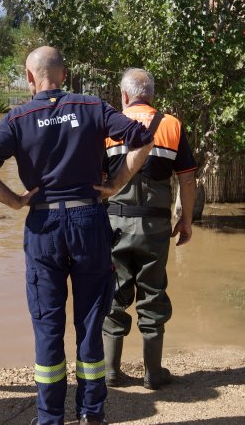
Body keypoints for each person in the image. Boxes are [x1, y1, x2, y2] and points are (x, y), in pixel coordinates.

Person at [0, 47, 154, 425]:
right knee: (90, 320)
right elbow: (143, 137)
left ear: (29, 77)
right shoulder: (91, 106)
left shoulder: (18, 117)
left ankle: (50, 417)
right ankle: (91, 413)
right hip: (89, 220)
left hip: (43, 226)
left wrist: (16, 201)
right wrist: (116, 183)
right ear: (64, 75)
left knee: (48, 323)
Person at [101, 68, 197, 390]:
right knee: (153, 296)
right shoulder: (171, 125)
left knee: (114, 294)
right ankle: (153, 374)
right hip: (156, 228)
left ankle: (111, 371)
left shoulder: (108, 126)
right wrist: (186, 219)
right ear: (151, 96)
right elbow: (186, 178)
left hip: (113, 224)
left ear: (124, 96)